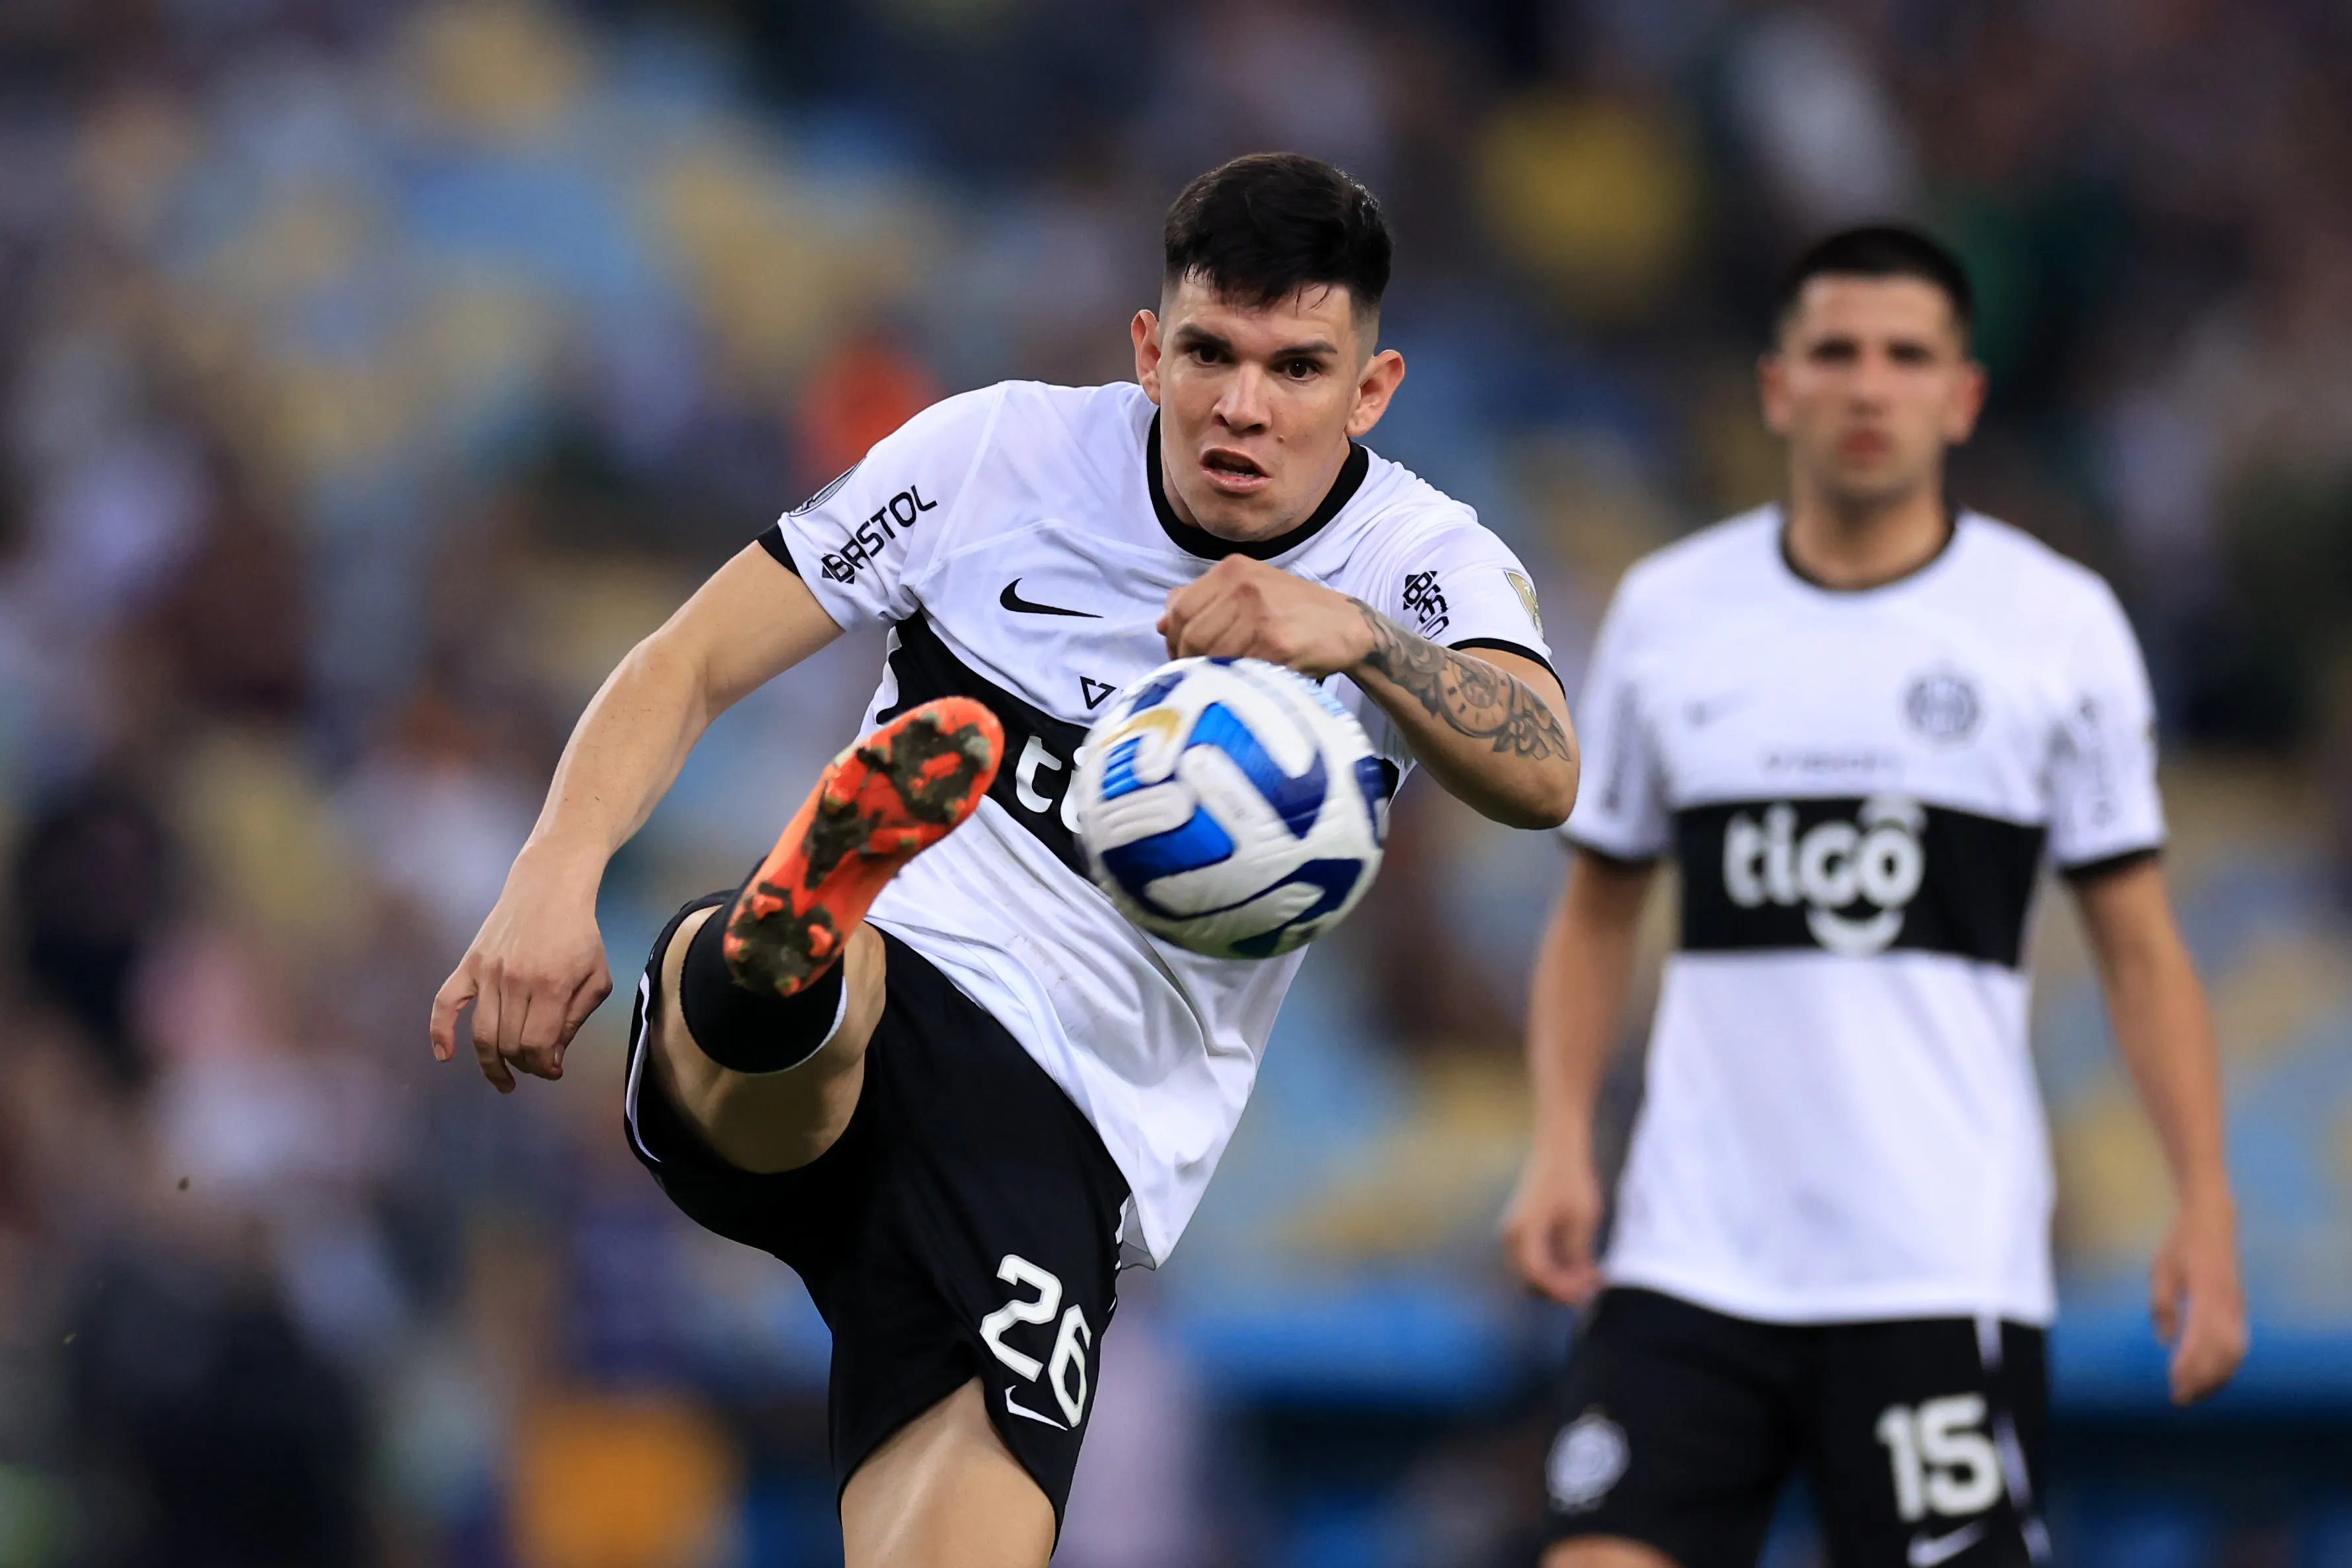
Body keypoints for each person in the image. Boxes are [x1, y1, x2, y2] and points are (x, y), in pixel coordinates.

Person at [429, 153, 1576, 1568]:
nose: (1241, 404)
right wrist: (549, 877)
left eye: (1296, 367)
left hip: (1067, 1125)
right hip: (918, 966)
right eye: (1209, 352)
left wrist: (1357, 639)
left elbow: (1543, 765)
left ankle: (782, 961)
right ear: (1148, 349)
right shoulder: (997, 454)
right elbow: (691, 655)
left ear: (1372, 388)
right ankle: (800, 940)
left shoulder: (1415, 553)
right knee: (821, 1002)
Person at [1502, 226, 2247, 1568]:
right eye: (1835, 353)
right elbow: (1596, 910)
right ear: (1777, 385)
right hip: (1692, 1250)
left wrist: (2203, 1197)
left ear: (1959, 397)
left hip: (1933, 1260)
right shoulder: (1670, 614)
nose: (1867, 386)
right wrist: (1559, 1135)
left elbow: (2138, 949)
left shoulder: (2054, 625)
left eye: (1904, 357)